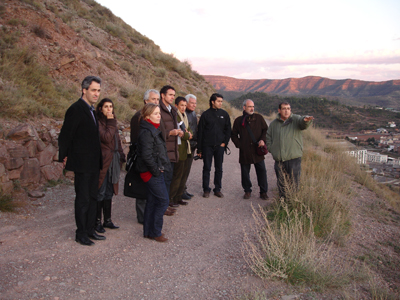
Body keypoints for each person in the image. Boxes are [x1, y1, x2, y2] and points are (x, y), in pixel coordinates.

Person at [58, 76, 104, 246]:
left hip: (93, 163)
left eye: (98, 90)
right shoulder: (76, 109)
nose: (96, 94)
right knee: (83, 199)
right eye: (93, 90)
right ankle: (81, 233)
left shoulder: (92, 110)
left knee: (93, 197)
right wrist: (64, 156)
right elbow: (66, 135)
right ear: (84, 90)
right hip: (82, 163)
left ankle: (90, 229)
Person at [130, 90, 176, 223]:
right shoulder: (138, 117)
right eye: (153, 99)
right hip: (144, 159)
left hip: (154, 158)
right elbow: (137, 140)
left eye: (157, 99)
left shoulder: (156, 115)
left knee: (151, 192)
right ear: (145, 101)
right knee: (141, 190)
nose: (156, 101)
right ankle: (142, 217)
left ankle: (149, 215)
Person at [136, 103, 171, 242]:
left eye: (159, 113)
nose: (159, 116)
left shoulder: (152, 129)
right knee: (163, 201)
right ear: (147, 116)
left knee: (152, 201)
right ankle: (156, 232)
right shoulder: (147, 132)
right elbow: (146, 156)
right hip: (150, 173)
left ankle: (149, 232)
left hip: (153, 171)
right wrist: (156, 170)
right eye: (156, 113)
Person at [266, 102, 314, 199]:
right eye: (284, 108)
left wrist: (306, 120)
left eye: (288, 108)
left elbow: (302, 122)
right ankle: (283, 205)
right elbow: (268, 138)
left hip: (293, 158)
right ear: (279, 110)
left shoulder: (295, 119)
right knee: (281, 183)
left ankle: (293, 204)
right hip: (279, 159)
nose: (286, 110)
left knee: (294, 184)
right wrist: (272, 150)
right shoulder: (274, 124)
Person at [95, 98, 126, 234]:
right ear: (101, 108)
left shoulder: (112, 122)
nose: (109, 109)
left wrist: (121, 156)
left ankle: (107, 220)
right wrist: (111, 121)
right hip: (103, 161)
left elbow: (116, 141)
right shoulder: (99, 122)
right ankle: (97, 222)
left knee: (109, 191)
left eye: (111, 107)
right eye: (106, 106)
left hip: (113, 160)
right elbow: (106, 137)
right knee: (100, 191)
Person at [231, 99, 269, 200]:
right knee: (245, 172)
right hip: (245, 151)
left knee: (262, 171)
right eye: (249, 107)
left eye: (253, 106)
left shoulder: (259, 118)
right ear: (244, 107)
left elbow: (265, 130)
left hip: (258, 150)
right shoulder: (239, 121)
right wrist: (240, 145)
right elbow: (233, 135)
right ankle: (247, 190)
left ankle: (263, 192)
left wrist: (262, 140)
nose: (252, 108)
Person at [197, 93, 231, 198]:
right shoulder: (205, 115)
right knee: (207, 167)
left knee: (219, 168)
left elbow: (228, 130)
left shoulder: (224, 114)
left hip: (219, 146)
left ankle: (217, 189)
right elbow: (200, 132)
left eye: (221, 101)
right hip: (207, 146)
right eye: (218, 101)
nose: (220, 103)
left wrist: (224, 143)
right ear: (213, 102)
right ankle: (206, 189)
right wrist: (199, 149)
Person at [159, 85, 183, 206]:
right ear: (162, 95)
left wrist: (179, 131)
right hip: (163, 152)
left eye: (174, 95)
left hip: (172, 150)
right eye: (170, 95)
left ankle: (165, 205)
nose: (173, 97)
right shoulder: (158, 109)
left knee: (169, 180)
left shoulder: (173, 110)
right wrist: (170, 133)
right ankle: (162, 206)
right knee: (162, 181)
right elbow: (156, 131)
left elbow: (176, 126)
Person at [169, 97, 192, 206]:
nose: (183, 107)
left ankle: (178, 197)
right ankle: (171, 198)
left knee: (183, 176)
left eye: (184, 105)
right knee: (177, 176)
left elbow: (188, 129)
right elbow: (182, 133)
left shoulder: (184, 115)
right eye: (181, 105)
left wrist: (187, 133)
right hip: (179, 149)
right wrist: (187, 134)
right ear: (176, 105)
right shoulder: (175, 116)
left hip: (185, 149)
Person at [180, 94, 198, 200]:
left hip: (192, 145)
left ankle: (183, 189)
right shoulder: (183, 113)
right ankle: (179, 191)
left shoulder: (194, 113)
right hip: (184, 145)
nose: (194, 105)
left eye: (195, 103)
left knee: (187, 169)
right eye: (192, 103)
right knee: (182, 170)